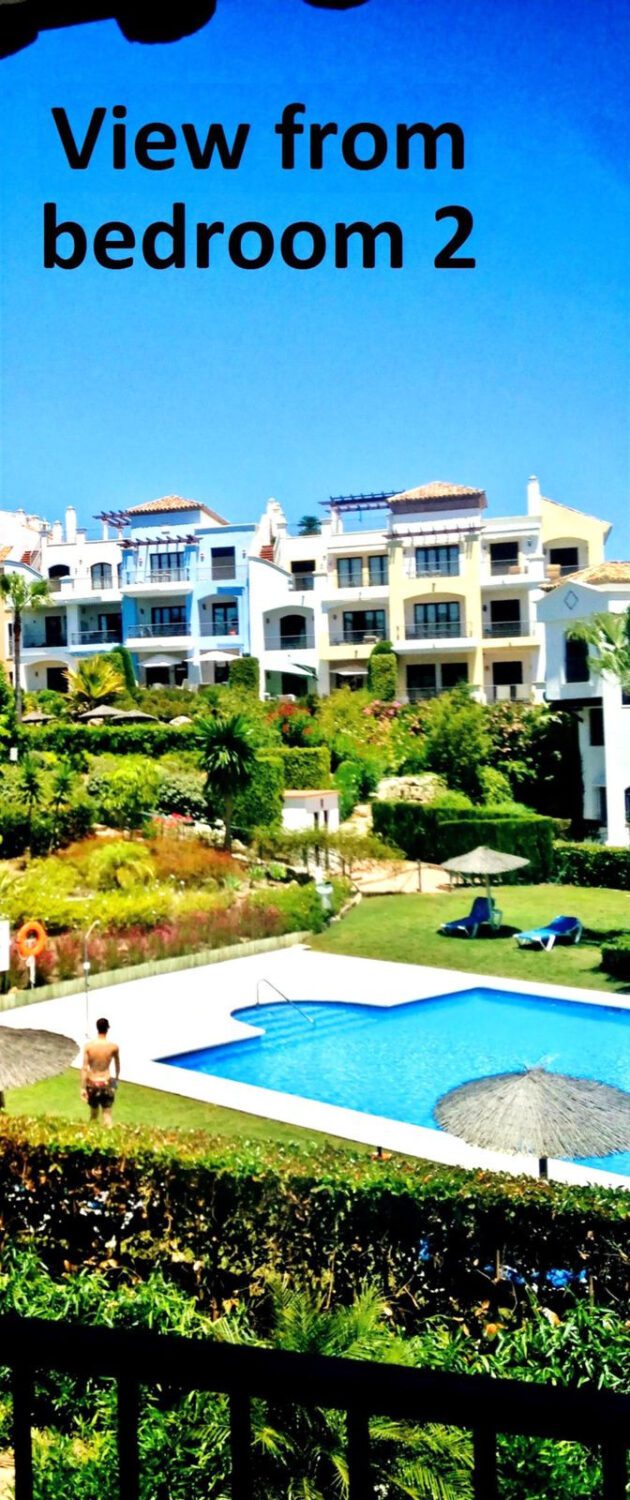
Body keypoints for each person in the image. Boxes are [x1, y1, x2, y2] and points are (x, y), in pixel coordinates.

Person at [81, 1017, 120, 1127]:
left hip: (92, 1083)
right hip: (106, 1083)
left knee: (93, 1115)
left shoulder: (89, 1046)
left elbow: (85, 1068)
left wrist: (83, 1087)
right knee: (107, 1115)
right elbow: (117, 1066)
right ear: (107, 1029)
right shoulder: (113, 1047)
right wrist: (116, 1081)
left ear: (97, 1028)